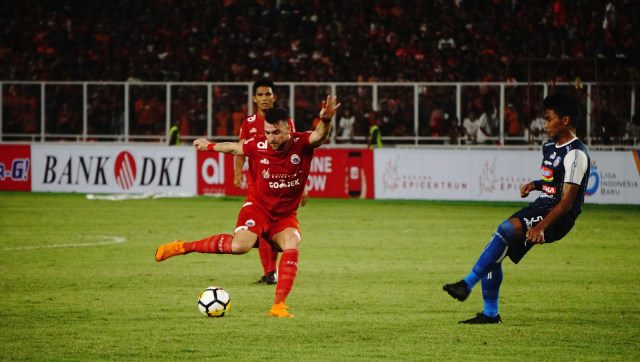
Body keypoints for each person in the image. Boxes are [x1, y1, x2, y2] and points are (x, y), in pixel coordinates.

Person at [156, 95, 341, 317]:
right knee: (239, 247)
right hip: (258, 208)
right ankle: (183, 246)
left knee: (292, 242)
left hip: (284, 216)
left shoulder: (301, 143)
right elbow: (235, 148)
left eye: (276, 133)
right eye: (268, 132)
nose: (271, 138)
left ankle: (278, 306)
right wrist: (209, 145)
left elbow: (319, 136)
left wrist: (326, 121)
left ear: (287, 130)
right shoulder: (259, 144)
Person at [443, 92, 590, 324]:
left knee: (505, 230)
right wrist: (535, 185)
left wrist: (541, 227)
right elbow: (554, 184)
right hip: (543, 204)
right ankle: (490, 314)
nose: (545, 124)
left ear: (565, 120)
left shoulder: (576, 154)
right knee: (496, 246)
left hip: (559, 216)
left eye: (549, 118)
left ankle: (467, 284)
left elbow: (567, 201)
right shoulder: (550, 147)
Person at [235, 78, 308, 285]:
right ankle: (269, 271)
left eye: (268, 94)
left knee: (274, 225)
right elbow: (240, 149)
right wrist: (237, 171)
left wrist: (303, 186)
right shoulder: (248, 123)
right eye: (260, 94)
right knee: (261, 225)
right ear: (254, 98)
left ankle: (270, 272)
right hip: (256, 182)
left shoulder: (284, 122)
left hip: (281, 184)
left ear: (274, 97)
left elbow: (299, 154)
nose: (264, 98)